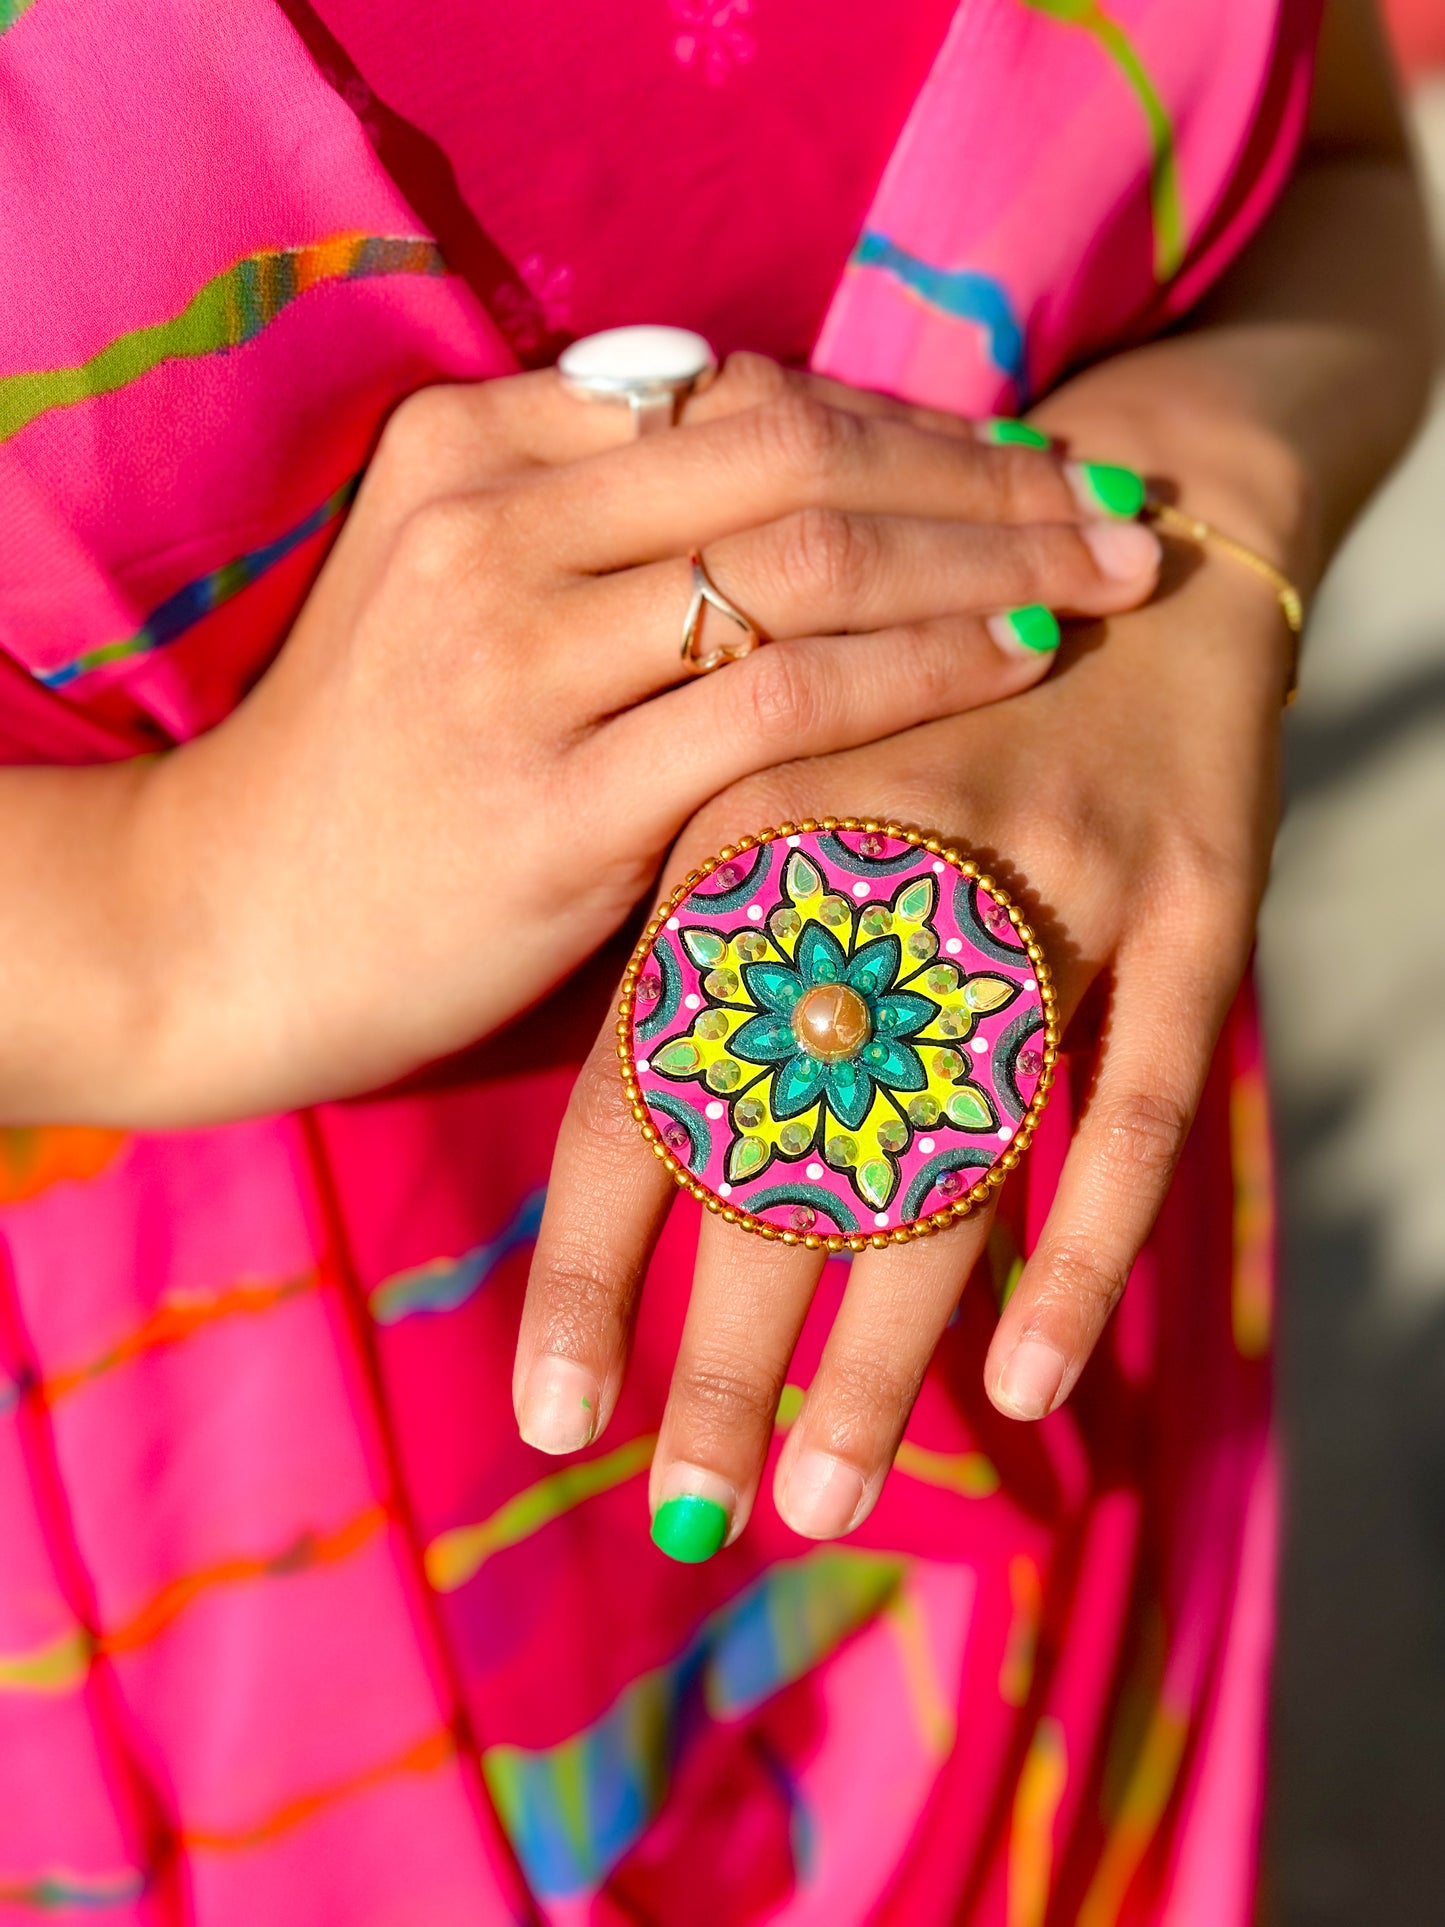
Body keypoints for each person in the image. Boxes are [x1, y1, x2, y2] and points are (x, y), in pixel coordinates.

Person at [0, 0, 1429, 1919]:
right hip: (208, 1513)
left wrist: (1180, 528)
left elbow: (1333, 173)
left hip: (1022, 1285)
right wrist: (173, 904)